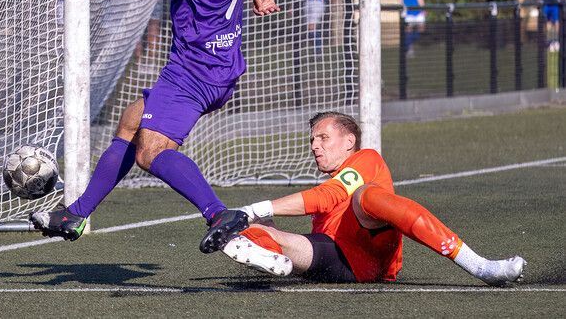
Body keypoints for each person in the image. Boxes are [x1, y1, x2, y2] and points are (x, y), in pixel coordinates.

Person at [30, 0, 297, 253]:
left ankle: (218, 213)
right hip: (218, 62)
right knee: (131, 120)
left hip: (196, 71)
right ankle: (76, 214)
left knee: (150, 151)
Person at [221, 111, 526, 285]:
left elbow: (328, 196)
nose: (314, 145)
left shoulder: (367, 159)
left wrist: (252, 208)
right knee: (269, 231)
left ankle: (480, 266)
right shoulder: (330, 186)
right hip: (336, 262)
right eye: (312, 140)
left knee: (364, 197)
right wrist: (257, 221)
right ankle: (256, 245)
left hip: (375, 259)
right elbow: (322, 217)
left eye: (323, 138)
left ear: (349, 141)